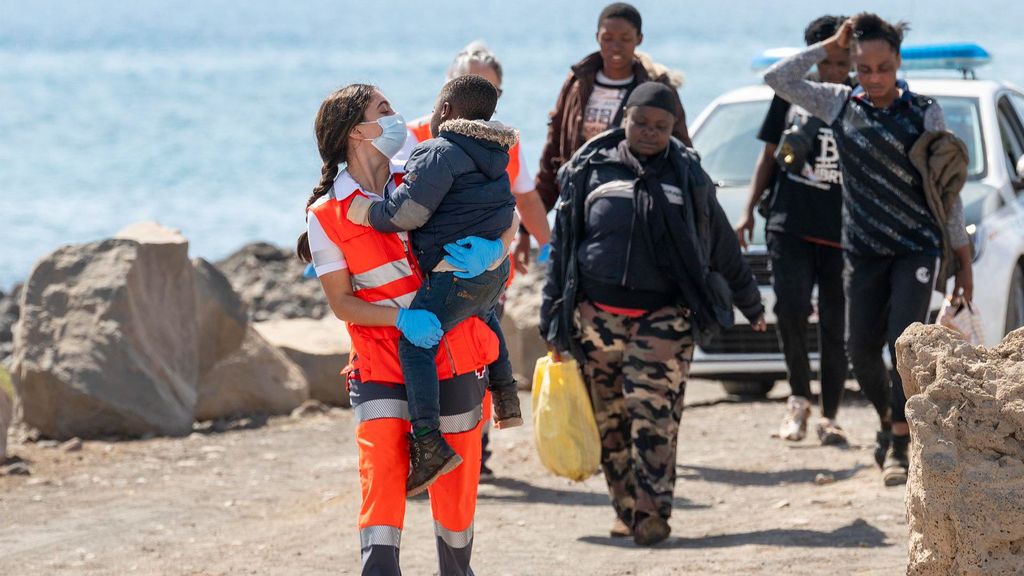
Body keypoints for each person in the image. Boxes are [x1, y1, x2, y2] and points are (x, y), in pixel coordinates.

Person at [541, 82, 765, 546]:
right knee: (610, 420)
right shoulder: (592, 170)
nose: (649, 132)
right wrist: (552, 318)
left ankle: (652, 511)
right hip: (595, 318)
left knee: (654, 414)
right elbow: (563, 247)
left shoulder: (687, 176)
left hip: (664, 316)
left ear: (673, 129)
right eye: (641, 122)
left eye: (660, 127)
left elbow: (722, 244)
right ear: (626, 118)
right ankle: (625, 508)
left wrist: (751, 303)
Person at [298, 83, 500, 574]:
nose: (396, 116)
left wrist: (497, 252)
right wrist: (401, 317)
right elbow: (343, 304)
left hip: (456, 352)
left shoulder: (425, 180)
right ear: (356, 132)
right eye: (383, 110)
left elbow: (490, 221)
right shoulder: (326, 215)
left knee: (455, 484)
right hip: (381, 362)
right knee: (384, 471)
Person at [764, 13, 973, 485]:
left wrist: (961, 258)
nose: (874, 78)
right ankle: (886, 420)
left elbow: (947, 191)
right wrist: (827, 48)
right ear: (852, 67)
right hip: (860, 250)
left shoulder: (923, 111)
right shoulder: (839, 105)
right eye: (863, 69)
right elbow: (777, 79)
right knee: (859, 351)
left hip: (915, 248)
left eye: (884, 67)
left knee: (902, 341)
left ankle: (900, 440)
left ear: (898, 61)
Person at [345, 75, 522, 496]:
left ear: (444, 112)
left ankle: (427, 442)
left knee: (416, 343)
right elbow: (507, 209)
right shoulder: (495, 154)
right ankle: (507, 395)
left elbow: (409, 213)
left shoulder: (438, 151)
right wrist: (497, 252)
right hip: (492, 269)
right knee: (483, 313)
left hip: (451, 272)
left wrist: (368, 213)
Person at [735, 15, 851, 445]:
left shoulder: (857, 96)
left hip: (842, 232)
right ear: (812, 58)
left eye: (843, 62)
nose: (835, 71)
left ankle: (831, 415)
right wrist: (747, 211)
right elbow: (768, 157)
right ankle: (799, 401)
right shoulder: (792, 93)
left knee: (837, 322)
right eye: (827, 61)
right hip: (790, 224)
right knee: (790, 311)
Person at [518, 2, 691, 269]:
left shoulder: (655, 88)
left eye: (625, 39)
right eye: (607, 38)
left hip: (630, 211)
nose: (615, 46)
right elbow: (553, 155)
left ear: (639, 40)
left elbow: (681, 152)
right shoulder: (577, 84)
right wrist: (527, 229)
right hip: (577, 208)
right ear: (597, 37)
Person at [400, 41, 552, 271]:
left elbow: (526, 199)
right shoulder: (414, 136)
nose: (477, 99)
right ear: (447, 85)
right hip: (433, 272)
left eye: (489, 91)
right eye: (469, 86)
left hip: (493, 272)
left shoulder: (505, 141)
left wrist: (546, 245)